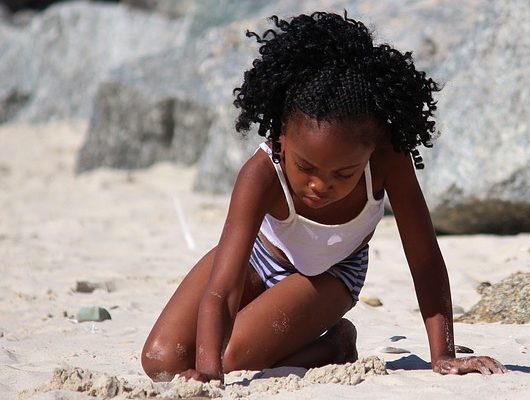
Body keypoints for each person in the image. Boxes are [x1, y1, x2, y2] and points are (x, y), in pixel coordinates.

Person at [141, 11, 506, 383]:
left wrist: (442, 354)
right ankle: (309, 343)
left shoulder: (387, 161)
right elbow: (223, 289)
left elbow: (424, 258)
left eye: (343, 174)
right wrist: (207, 373)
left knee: (234, 355)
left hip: (331, 274)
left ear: (369, 152)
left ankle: (335, 345)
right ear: (281, 134)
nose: (320, 185)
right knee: (161, 361)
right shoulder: (261, 174)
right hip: (257, 258)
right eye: (307, 167)